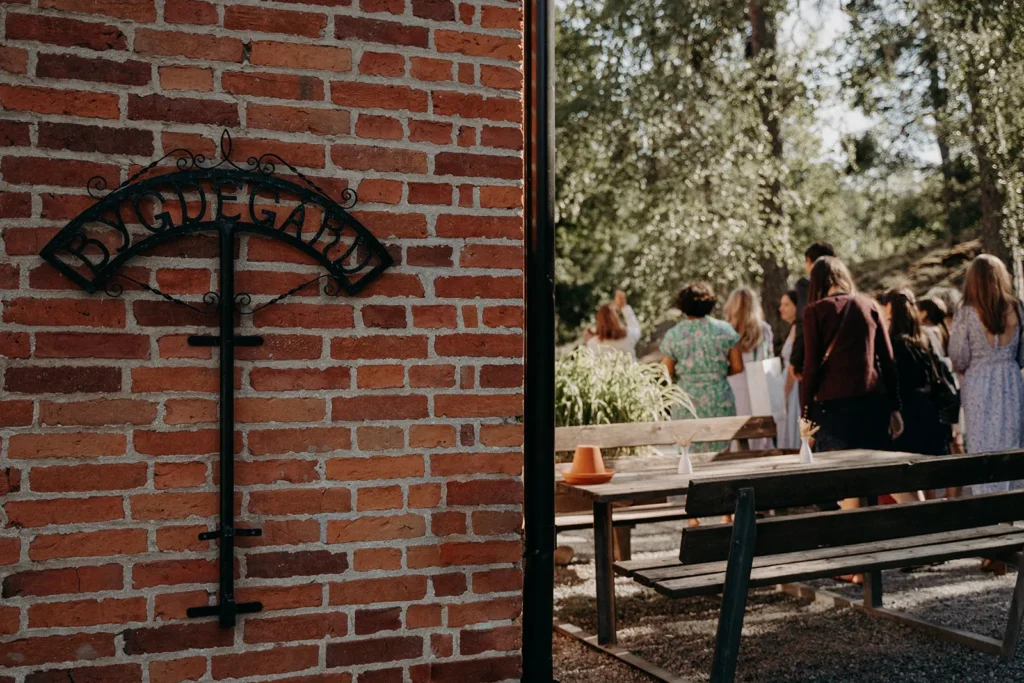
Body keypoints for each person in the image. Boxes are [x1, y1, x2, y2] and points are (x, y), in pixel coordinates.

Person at [801, 256, 903, 453]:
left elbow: (811, 367)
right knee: (875, 477)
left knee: (839, 478)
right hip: (874, 406)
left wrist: (805, 414)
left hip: (833, 409)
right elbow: (888, 360)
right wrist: (894, 406)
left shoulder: (815, 312)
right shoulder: (870, 306)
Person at [949, 255, 1024, 494]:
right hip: (1011, 380)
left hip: (979, 383)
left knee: (983, 446)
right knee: (1012, 442)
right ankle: (1012, 506)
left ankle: (988, 504)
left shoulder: (966, 313)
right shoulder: (1017, 308)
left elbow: (958, 356)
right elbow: (1022, 356)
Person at [661, 282, 741, 451]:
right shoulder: (725, 330)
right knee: (720, 453)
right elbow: (738, 366)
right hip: (719, 396)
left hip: (687, 400)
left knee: (688, 451)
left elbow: (665, 372)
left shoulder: (674, 335)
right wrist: (717, 373)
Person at [878, 288, 950, 456]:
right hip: (928, 411)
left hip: (903, 415)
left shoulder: (890, 344)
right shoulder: (923, 340)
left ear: (889, 307)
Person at [723, 287, 774, 450]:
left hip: (735, 384)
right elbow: (769, 357)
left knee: (737, 432)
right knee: (760, 431)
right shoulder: (764, 329)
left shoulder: (726, 330)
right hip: (760, 384)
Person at [790, 241, 837, 380]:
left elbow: (803, 322)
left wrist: (796, 360)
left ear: (809, 261)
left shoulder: (806, 286)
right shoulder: (844, 288)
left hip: (814, 359)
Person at [586, 290, 642, 359]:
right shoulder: (629, 335)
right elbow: (635, 326)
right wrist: (624, 306)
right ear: (617, 318)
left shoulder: (593, 344)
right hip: (634, 370)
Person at [777, 290, 801, 450]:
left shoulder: (797, 329)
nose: (781, 308)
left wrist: (785, 394)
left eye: (786, 304)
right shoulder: (793, 328)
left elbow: (795, 363)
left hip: (792, 385)